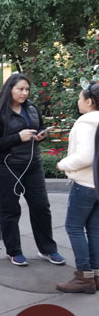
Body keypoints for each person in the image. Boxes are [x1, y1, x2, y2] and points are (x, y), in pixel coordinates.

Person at [0, 73, 65, 266]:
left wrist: (41, 136)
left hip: (32, 165)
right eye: (20, 89)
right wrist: (17, 137)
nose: (24, 93)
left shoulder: (32, 108)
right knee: (10, 209)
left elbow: (39, 127)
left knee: (41, 207)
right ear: (10, 89)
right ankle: (14, 251)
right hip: (6, 167)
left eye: (27, 89)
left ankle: (48, 249)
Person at [56, 82, 99, 293]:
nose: (78, 101)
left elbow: (85, 156)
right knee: (94, 229)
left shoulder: (85, 123)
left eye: (81, 98)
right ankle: (96, 275)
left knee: (74, 228)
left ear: (89, 102)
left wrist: (63, 164)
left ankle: (84, 277)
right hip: (97, 184)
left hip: (84, 185)